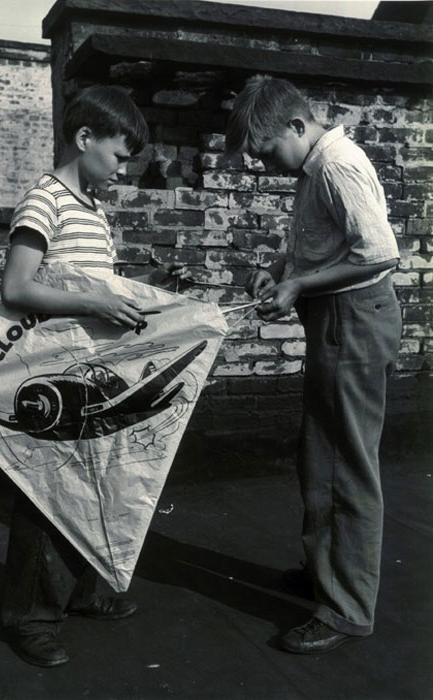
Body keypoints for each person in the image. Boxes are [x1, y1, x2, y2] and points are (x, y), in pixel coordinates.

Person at [0, 85, 190, 667]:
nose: (124, 168)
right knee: (45, 489)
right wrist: (94, 307)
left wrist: (138, 295)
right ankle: (29, 618)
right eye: (118, 155)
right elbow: (18, 288)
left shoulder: (93, 210)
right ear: (84, 140)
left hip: (88, 367)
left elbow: (94, 285)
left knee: (87, 482)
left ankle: (78, 592)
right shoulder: (44, 201)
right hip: (51, 369)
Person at [225, 75, 401, 654]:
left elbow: (378, 253)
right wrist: (281, 271)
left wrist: (298, 283)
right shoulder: (314, 166)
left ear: (298, 127)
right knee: (320, 456)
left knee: (346, 464)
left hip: (353, 318)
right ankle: (329, 575)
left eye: (269, 149)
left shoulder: (335, 166)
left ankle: (347, 608)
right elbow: (325, 242)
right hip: (335, 318)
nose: (267, 164)